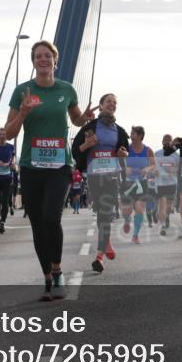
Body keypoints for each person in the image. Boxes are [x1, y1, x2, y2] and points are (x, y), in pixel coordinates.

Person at [5, 40, 96, 300]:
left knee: (50, 217)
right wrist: (22, 113)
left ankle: (57, 272)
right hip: (31, 166)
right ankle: (47, 277)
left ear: (55, 61)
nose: (43, 60)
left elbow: (75, 119)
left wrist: (85, 117)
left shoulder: (66, 89)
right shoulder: (22, 91)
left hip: (59, 166)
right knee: (36, 224)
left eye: (47, 56)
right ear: (33, 61)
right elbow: (9, 132)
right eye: (38, 57)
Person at [71, 93, 128, 273]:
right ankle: (108, 243)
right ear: (101, 105)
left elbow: (126, 152)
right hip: (94, 176)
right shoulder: (90, 127)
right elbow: (75, 151)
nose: (111, 104)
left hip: (111, 176)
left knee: (105, 212)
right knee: (101, 213)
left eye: (114, 102)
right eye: (108, 101)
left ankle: (99, 256)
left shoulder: (119, 131)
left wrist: (123, 155)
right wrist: (86, 145)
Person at [122, 126, 156, 245]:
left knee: (140, 209)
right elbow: (119, 163)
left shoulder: (148, 150)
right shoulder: (126, 149)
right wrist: (125, 168)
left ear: (140, 135)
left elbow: (153, 164)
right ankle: (127, 220)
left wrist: (147, 168)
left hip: (142, 183)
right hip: (128, 183)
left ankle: (135, 235)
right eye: (131, 134)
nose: (131, 136)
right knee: (127, 210)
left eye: (134, 134)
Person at [153, 134, 179, 236]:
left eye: (169, 140)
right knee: (162, 204)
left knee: (168, 206)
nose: (167, 141)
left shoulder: (176, 155)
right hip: (160, 183)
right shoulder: (157, 154)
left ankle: (165, 216)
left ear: (172, 142)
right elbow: (152, 166)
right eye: (165, 140)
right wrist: (154, 171)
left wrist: (173, 170)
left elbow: (179, 168)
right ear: (162, 141)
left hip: (172, 182)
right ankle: (162, 225)